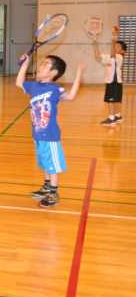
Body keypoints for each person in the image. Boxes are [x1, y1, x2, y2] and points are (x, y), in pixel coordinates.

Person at [16, 53, 86, 208]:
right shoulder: (34, 86)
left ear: (54, 72)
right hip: (37, 134)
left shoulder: (55, 89)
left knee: (52, 165)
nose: (41, 66)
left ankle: (53, 195)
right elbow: (19, 82)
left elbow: (71, 96)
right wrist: (25, 65)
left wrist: (79, 75)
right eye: (41, 63)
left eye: (45, 64)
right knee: (44, 163)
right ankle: (46, 188)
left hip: (50, 135)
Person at [93, 36, 127, 126]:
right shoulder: (109, 57)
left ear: (123, 51)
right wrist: (95, 45)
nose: (115, 47)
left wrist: (113, 43)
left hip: (115, 83)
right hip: (110, 82)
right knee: (113, 101)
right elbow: (97, 55)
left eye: (118, 47)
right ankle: (118, 116)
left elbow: (113, 54)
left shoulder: (119, 57)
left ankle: (111, 119)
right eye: (115, 46)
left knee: (111, 101)